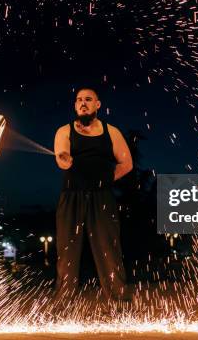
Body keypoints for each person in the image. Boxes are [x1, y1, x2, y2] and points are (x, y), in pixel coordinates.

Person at [54, 87, 133, 301]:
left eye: (88, 99)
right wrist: (63, 158)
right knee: (67, 254)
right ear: (75, 105)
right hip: (72, 197)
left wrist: (105, 180)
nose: (83, 103)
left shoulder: (112, 132)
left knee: (109, 252)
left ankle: (119, 305)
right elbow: (61, 156)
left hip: (102, 197)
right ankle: (63, 307)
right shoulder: (64, 131)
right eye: (79, 100)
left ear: (97, 104)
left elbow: (127, 164)